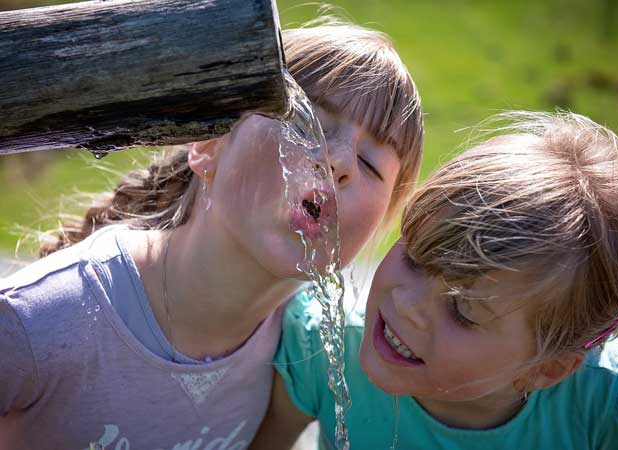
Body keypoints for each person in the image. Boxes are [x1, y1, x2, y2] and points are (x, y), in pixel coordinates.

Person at [0, 21, 423, 449]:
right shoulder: (40, 319)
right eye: (305, 123)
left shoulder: (305, 351)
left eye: (370, 164)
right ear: (208, 145)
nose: (339, 163)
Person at [252, 111, 618, 450]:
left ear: (547, 369)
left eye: (462, 310)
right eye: (415, 258)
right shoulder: (322, 350)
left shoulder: (612, 409)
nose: (407, 303)